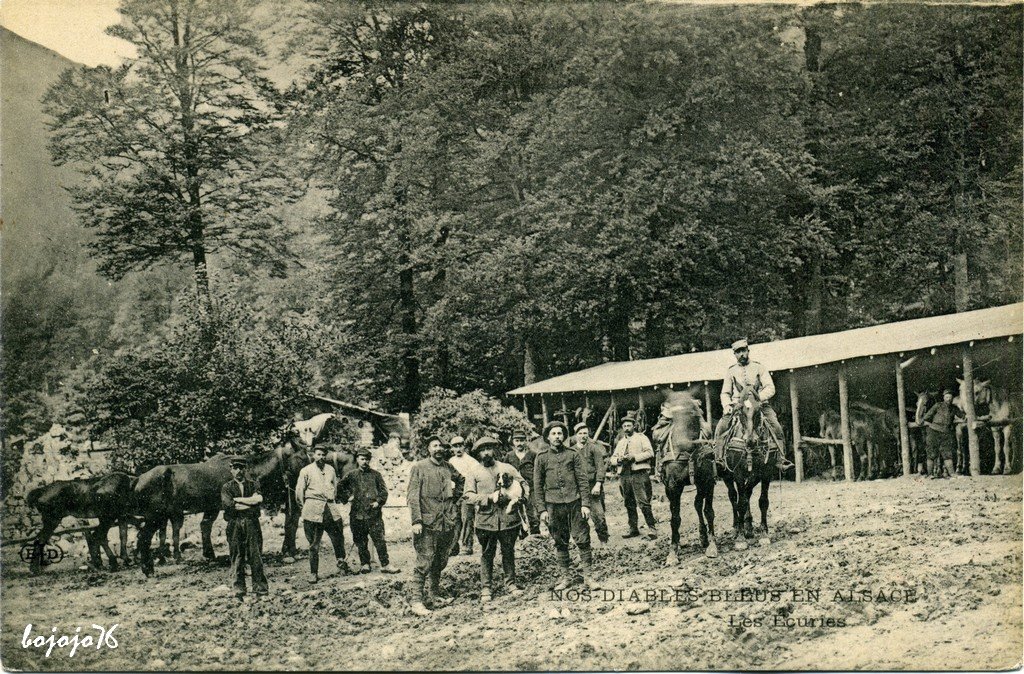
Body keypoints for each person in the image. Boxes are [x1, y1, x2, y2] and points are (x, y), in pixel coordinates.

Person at [463, 436, 529, 602]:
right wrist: (489, 498)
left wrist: (522, 497)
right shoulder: (473, 472)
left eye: (489, 449)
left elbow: (524, 484)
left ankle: (511, 584)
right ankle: (486, 588)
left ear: (495, 450)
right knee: (487, 554)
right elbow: (468, 497)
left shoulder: (507, 468)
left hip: (508, 519)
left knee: (508, 551)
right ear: (478, 453)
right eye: (482, 450)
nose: (486, 453)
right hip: (486, 521)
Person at [533, 420, 596, 591]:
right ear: (547, 437)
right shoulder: (541, 458)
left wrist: (585, 504)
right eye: (553, 434)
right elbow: (537, 486)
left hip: (575, 503)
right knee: (560, 541)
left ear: (564, 436)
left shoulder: (573, 454)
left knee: (582, 538)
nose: (557, 437)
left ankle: (588, 577)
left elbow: (582, 480)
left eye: (560, 433)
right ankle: (566, 577)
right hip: (553, 505)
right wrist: (542, 510)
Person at [407, 434, 465, 616]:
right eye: (434, 446)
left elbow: (461, 480)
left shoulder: (448, 467)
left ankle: (433, 595)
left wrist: (455, 500)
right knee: (424, 561)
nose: (438, 449)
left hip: (446, 521)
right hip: (426, 523)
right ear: (428, 449)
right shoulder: (419, 468)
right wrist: (416, 520)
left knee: (440, 559)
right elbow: (412, 496)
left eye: (441, 446)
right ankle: (416, 601)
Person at [714, 339, 792, 470]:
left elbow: (770, 387)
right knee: (720, 428)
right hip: (738, 405)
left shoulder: (759, 367)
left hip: (760, 405)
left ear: (748, 351)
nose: (741, 354)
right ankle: (719, 460)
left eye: (743, 351)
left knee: (776, 426)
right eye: (738, 352)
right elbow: (725, 393)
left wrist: (757, 399)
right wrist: (727, 405)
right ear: (734, 354)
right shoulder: (731, 371)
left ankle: (781, 459)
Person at [296, 447, 354, 583]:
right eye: (318, 454)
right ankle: (313, 573)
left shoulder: (330, 470)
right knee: (314, 543)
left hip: (329, 507)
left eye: (323, 455)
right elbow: (299, 491)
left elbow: (334, 486)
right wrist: (305, 508)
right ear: (313, 455)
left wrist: (332, 499)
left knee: (338, 536)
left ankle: (341, 563)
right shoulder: (306, 470)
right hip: (313, 508)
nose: (321, 457)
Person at [341, 447, 400, 574]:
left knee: (379, 540)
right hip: (357, 515)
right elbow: (339, 488)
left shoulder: (376, 475)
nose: (364, 462)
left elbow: (384, 492)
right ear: (357, 459)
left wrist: (378, 502)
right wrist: (348, 497)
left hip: (374, 515)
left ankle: (385, 564)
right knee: (360, 541)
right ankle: (365, 564)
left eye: (367, 459)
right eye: (362, 459)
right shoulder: (351, 475)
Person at [220, 456, 269, 600]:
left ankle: (261, 590)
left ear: (246, 469)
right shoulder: (227, 487)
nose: (239, 471)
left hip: (251, 523)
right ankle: (239, 591)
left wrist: (239, 500)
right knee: (237, 556)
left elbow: (259, 500)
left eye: (241, 468)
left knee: (255, 555)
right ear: (231, 470)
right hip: (234, 524)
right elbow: (229, 506)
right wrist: (249, 503)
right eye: (235, 468)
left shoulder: (253, 485)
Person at [609, 413, 658, 540]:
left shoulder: (642, 438)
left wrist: (635, 457)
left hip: (638, 474)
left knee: (643, 502)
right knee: (628, 503)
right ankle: (633, 529)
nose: (626, 428)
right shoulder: (621, 442)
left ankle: (652, 528)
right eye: (624, 426)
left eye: (629, 426)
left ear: (634, 426)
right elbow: (612, 459)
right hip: (624, 475)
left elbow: (650, 453)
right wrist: (618, 460)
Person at [571, 422, 609, 544]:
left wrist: (598, 484)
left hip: (592, 486)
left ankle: (604, 541)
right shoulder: (571, 451)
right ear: (576, 435)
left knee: (599, 516)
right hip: (577, 489)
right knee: (579, 518)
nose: (583, 436)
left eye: (585, 433)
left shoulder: (594, 448)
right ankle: (584, 544)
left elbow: (600, 467)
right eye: (580, 433)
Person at [447, 435, 482, 556]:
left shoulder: (472, 462)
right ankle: (453, 546)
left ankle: (467, 546)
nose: (458, 449)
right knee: (455, 519)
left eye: (460, 446)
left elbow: (477, 479)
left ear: (464, 446)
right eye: (455, 446)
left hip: (468, 494)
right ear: (452, 448)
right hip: (455, 495)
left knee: (467, 519)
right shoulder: (451, 461)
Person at [503, 429, 541, 536]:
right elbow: (504, 472)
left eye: (522, 440)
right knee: (517, 513)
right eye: (517, 440)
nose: (519, 443)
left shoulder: (533, 455)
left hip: (531, 489)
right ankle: (522, 537)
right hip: (514, 490)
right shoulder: (509, 456)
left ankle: (535, 537)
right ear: (513, 442)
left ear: (526, 441)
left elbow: (538, 471)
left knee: (533, 513)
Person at [922, 388, 964, 479]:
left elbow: (963, 416)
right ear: (944, 397)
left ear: (952, 398)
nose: (948, 399)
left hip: (946, 433)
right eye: (947, 397)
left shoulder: (954, 408)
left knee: (947, 454)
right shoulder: (937, 405)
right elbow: (926, 417)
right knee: (931, 454)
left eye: (950, 397)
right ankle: (929, 474)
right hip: (934, 432)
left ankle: (952, 473)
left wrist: (965, 417)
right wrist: (931, 425)